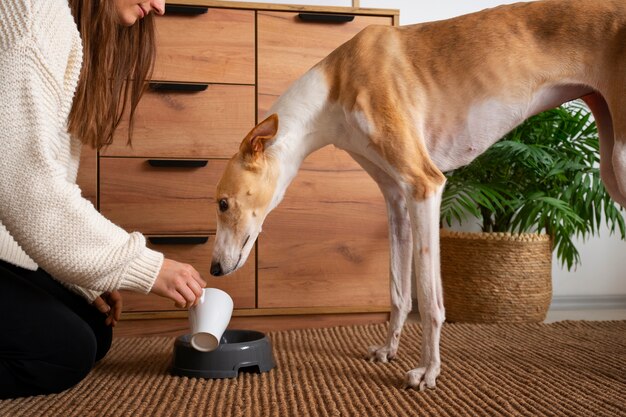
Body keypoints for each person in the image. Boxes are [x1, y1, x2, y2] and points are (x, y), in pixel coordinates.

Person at [0, 0, 207, 399]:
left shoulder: (60, 20)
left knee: (93, 327)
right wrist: (139, 264)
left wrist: (81, 272)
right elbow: (22, 180)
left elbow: (34, 184)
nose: (161, 6)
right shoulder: (33, 10)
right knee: (63, 351)